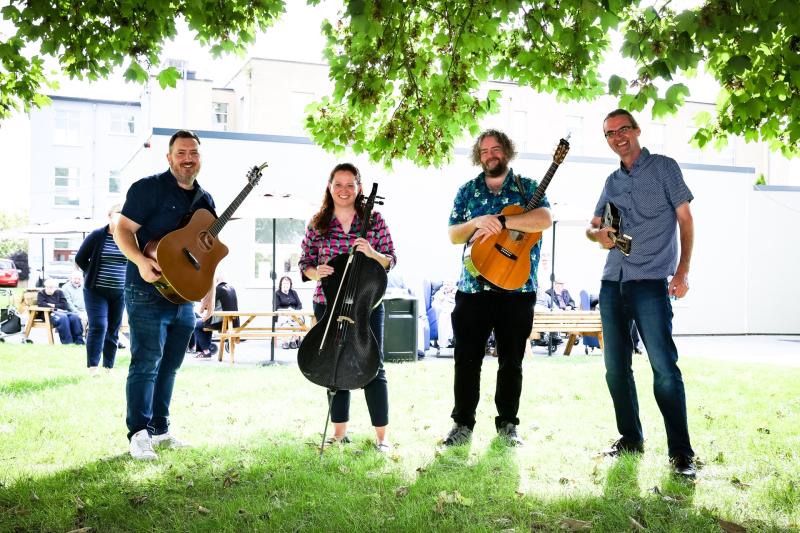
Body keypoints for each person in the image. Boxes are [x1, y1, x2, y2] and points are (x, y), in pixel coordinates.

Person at [585, 109, 696, 478]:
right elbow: (594, 225)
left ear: (636, 130)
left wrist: (682, 271)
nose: (618, 137)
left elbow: (685, 220)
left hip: (650, 281)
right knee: (616, 370)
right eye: (610, 133)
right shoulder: (610, 180)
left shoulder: (665, 168)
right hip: (612, 281)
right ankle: (630, 438)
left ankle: (681, 453)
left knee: (663, 368)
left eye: (623, 129)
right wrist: (596, 235)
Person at [443, 129, 552, 447]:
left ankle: (507, 425)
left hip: (518, 290)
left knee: (511, 361)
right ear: (479, 156)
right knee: (466, 359)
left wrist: (504, 222)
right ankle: (462, 425)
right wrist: (477, 223)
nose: (491, 154)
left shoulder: (527, 187)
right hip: (473, 289)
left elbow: (544, 219)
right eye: (485, 150)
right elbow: (453, 234)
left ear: (507, 151)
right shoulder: (468, 191)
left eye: (496, 148)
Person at [114, 130, 217, 460]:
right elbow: (122, 229)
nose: (188, 158)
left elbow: (207, 252)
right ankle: (139, 434)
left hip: (183, 296)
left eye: (194, 153)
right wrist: (141, 261)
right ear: (169, 157)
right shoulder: (148, 189)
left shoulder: (206, 200)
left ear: (200, 158)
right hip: (146, 290)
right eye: (182, 152)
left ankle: (161, 430)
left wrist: (209, 292)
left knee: (170, 365)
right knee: (146, 363)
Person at [298, 162, 396, 452]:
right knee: (333, 362)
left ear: (359, 188)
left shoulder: (374, 220)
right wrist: (318, 272)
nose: (344, 190)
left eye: (350, 184)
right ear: (329, 186)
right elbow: (304, 264)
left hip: (366, 304)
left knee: (373, 366)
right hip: (328, 302)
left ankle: (382, 438)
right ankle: (339, 434)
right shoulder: (318, 223)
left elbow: (390, 260)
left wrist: (372, 252)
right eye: (338, 184)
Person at [75, 205, 127, 376]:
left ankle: (108, 368)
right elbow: (80, 258)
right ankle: (93, 367)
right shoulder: (98, 235)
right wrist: (91, 272)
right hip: (96, 290)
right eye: (118, 214)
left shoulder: (129, 238)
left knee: (113, 328)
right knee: (99, 325)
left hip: (119, 292)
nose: (121, 218)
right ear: (109, 215)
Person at [192, 273, 239, 357]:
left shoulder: (217, 289)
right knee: (203, 323)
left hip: (220, 322)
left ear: (216, 280)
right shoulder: (231, 288)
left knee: (196, 324)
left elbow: (207, 305)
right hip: (233, 322)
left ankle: (206, 351)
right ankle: (205, 348)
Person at [37, 278, 85, 345]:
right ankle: (68, 343)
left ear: (55, 288)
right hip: (48, 314)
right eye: (47, 287)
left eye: (51, 287)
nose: (49, 289)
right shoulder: (41, 293)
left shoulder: (59, 292)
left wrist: (53, 305)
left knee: (75, 317)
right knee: (63, 318)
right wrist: (57, 307)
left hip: (62, 312)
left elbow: (65, 305)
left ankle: (79, 342)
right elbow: (41, 304)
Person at [274, 275, 302, 349]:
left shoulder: (293, 292)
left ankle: (293, 340)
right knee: (286, 324)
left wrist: (294, 311)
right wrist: (287, 312)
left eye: (288, 283)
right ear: (281, 284)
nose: (286, 285)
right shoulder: (277, 293)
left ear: (290, 285)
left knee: (298, 321)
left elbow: (299, 305)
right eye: (284, 283)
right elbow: (276, 307)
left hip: (294, 314)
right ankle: (285, 341)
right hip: (283, 315)